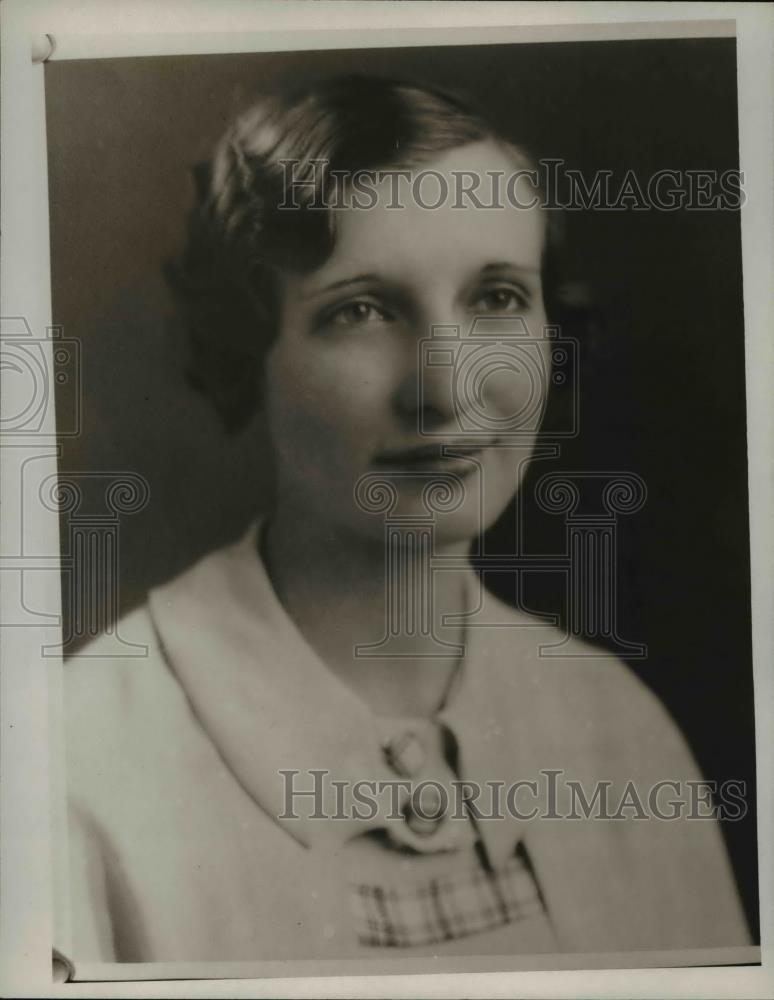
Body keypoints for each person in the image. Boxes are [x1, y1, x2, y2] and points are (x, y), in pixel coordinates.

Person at [63, 75, 750, 964]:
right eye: (361, 311)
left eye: (498, 297)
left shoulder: (616, 731)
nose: (447, 388)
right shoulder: (78, 772)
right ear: (246, 350)